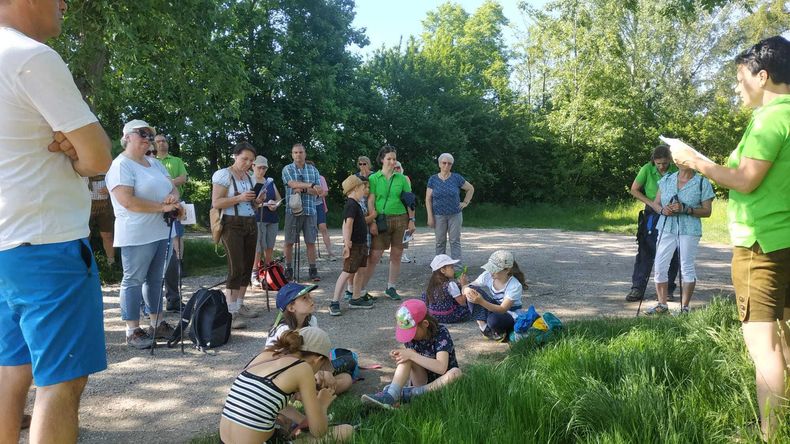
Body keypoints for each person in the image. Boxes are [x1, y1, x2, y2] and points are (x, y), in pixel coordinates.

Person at [0, 1, 112, 440]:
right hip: (49, 245)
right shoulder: (31, 57)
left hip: (6, 248)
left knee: (11, 372)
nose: (65, 3)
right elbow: (99, 156)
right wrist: (79, 153)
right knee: (61, 383)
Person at [670, 36, 790, 441]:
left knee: (764, 346)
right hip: (786, 241)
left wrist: (695, 162)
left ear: (763, 75)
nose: (737, 88)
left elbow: (745, 180)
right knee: (786, 339)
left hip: (761, 245)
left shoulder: (770, 119)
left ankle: (771, 435)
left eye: (740, 79)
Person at [107, 120, 181, 349]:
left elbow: (173, 188)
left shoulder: (154, 163)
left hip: (161, 230)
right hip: (136, 233)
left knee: (156, 280)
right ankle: (132, 330)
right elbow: (127, 201)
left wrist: (172, 199)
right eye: (142, 133)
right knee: (133, 280)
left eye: (151, 134)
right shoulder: (121, 165)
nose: (148, 137)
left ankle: (157, 323)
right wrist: (162, 207)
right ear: (127, 136)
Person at [220, 327, 353, 443]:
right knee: (346, 431)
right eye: (321, 367)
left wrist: (301, 418)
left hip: (224, 440)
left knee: (282, 421)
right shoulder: (303, 368)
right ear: (317, 359)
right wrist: (322, 405)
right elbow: (318, 431)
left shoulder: (267, 354)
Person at [361, 299, 462, 409]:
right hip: (421, 382)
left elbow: (441, 367)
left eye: (411, 332)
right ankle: (392, 395)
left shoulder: (441, 332)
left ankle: (409, 394)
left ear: (425, 324)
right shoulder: (410, 339)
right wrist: (405, 355)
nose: (409, 336)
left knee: (456, 373)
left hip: (442, 384)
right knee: (406, 356)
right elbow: (413, 366)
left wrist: (412, 355)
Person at [645, 164, 714, 315]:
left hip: (689, 229)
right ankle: (662, 305)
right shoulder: (667, 179)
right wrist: (663, 210)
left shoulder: (702, 183)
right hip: (666, 226)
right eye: (677, 158)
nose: (680, 162)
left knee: (686, 266)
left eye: (684, 158)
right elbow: (656, 204)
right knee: (659, 265)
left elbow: (707, 211)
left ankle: (685, 308)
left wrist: (686, 209)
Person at [212, 142, 263, 329]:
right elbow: (216, 202)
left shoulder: (249, 177)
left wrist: (258, 201)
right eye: (244, 159)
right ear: (235, 156)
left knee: (248, 265)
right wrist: (240, 198)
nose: (248, 163)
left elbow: (251, 204)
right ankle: (230, 311)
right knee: (236, 266)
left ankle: (240, 305)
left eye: (251, 160)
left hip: (250, 222)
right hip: (231, 224)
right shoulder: (223, 175)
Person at [266, 283, 352, 394]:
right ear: (291, 307)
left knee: (347, 374)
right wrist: (313, 373)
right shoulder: (283, 330)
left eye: (309, 296)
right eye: (304, 298)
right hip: (287, 375)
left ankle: (313, 393)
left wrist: (325, 370)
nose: (311, 300)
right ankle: (309, 394)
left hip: (311, 366)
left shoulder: (312, 320)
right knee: (344, 371)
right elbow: (279, 366)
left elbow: (318, 350)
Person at [358, 145, 416, 300]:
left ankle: (391, 287)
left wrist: (412, 220)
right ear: (382, 159)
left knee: (397, 255)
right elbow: (371, 200)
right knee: (375, 255)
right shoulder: (373, 178)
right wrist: (372, 221)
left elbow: (410, 201)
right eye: (389, 158)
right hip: (381, 219)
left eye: (394, 159)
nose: (392, 162)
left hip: (401, 219)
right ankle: (361, 290)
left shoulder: (402, 179)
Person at [625, 145, 680, 302]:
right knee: (646, 249)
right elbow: (634, 189)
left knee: (672, 251)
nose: (662, 166)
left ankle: (668, 289)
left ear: (669, 159)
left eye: (664, 163)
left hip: (672, 212)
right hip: (652, 212)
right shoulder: (647, 169)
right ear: (653, 161)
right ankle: (637, 288)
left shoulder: (676, 169)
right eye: (658, 163)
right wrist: (652, 204)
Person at [330, 175, 374, 315]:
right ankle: (334, 301)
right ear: (355, 189)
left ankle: (356, 297)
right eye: (362, 188)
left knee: (360, 270)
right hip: (354, 245)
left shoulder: (356, 204)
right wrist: (346, 242)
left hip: (361, 244)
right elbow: (347, 224)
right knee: (347, 271)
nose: (364, 192)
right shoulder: (351, 205)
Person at [154, 134, 188, 312]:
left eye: (163, 140)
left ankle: (173, 299)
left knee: (173, 253)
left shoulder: (175, 160)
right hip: (151, 214)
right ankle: (148, 306)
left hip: (172, 209)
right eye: (157, 141)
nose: (161, 143)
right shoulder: (147, 162)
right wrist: (167, 182)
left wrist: (168, 183)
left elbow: (183, 178)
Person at [462, 250, 525, 341]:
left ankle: (501, 330)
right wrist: (466, 289)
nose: (491, 272)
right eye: (490, 268)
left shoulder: (514, 285)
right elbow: (467, 287)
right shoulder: (488, 275)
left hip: (509, 313)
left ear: (507, 270)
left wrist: (481, 301)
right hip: (493, 307)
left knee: (494, 321)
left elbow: (502, 309)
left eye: (494, 270)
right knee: (472, 290)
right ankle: (484, 328)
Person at [282, 143, 322, 281]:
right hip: (292, 210)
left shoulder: (313, 170)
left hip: (310, 210)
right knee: (289, 241)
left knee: (311, 241)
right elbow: (292, 184)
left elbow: (319, 190)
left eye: (300, 152)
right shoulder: (287, 169)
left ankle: (313, 269)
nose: (298, 155)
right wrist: (310, 186)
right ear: (292, 154)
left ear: (305, 154)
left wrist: (303, 189)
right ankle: (288, 269)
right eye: (295, 152)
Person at [426, 153, 474, 261]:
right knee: (439, 242)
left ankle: (457, 269)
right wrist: (430, 216)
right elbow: (428, 199)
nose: (446, 165)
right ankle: (439, 268)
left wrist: (465, 202)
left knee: (455, 241)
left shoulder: (456, 178)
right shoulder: (433, 179)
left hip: (455, 214)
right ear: (439, 164)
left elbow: (470, 188)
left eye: (449, 163)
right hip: (438, 215)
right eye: (444, 163)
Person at [251, 155, 282, 281]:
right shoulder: (249, 181)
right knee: (258, 247)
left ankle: (268, 271)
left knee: (270, 246)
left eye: (264, 168)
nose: (262, 170)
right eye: (259, 167)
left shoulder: (269, 181)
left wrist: (275, 205)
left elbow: (279, 199)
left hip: (272, 218)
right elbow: (249, 203)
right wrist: (264, 204)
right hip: (257, 218)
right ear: (253, 166)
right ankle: (254, 272)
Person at [423, 254, 470, 324]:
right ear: (443, 270)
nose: (454, 270)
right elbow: (462, 302)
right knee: (470, 308)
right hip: (448, 316)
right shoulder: (450, 284)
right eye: (451, 267)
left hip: (433, 315)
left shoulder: (432, 284)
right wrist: (464, 285)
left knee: (425, 294)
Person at [88, 174, 116, 265]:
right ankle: (85, 262)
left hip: (105, 205)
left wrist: (110, 188)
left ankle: (111, 263)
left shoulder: (108, 163)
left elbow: (117, 178)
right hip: (85, 204)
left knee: (107, 235)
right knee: (85, 235)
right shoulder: (79, 160)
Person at [312, 166, 335, 261]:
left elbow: (325, 192)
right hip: (309, 206)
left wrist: (318, 195)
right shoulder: (305, 179)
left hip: (319, 205)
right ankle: (314, 254)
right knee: (312, 229)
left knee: (323, 228)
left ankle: (330, 252)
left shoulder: (321, 178)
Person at [394, 161, 414, 263]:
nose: (397, 170)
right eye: (395, 168)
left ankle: (403, 254)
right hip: (393, 209)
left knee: (406, 232)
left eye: (398, 168)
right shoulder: (388, 179)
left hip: (405, 208)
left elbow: (408, 193)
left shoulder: (405, 178)